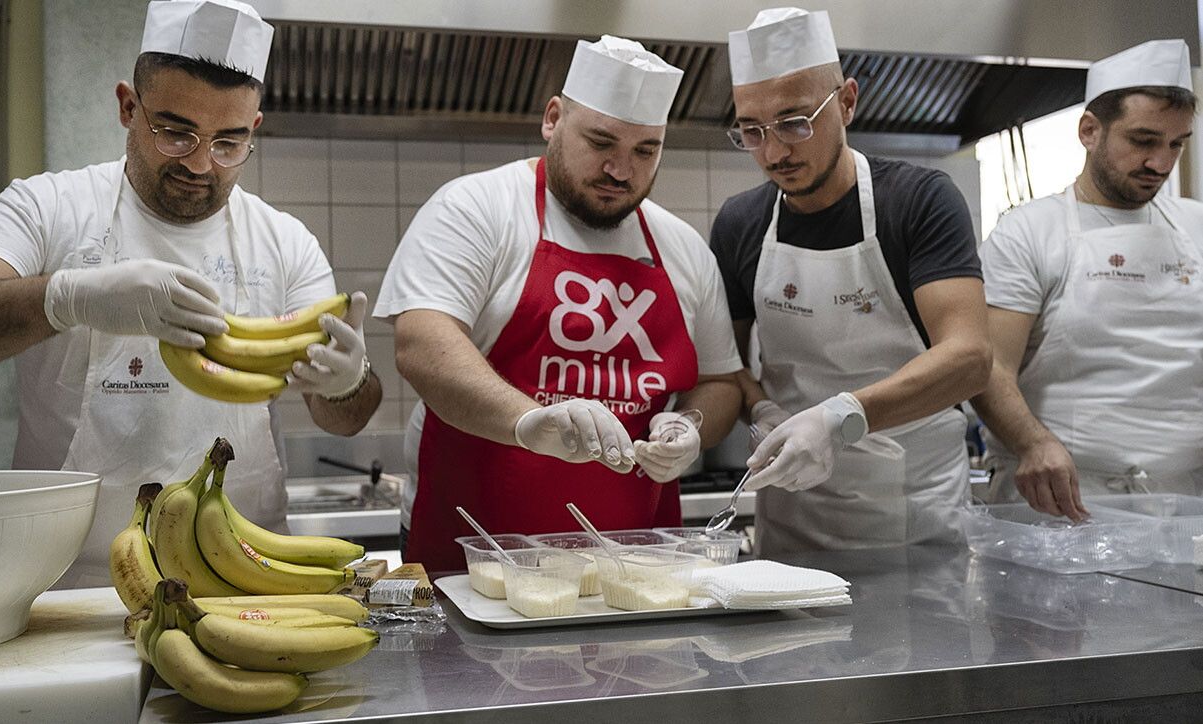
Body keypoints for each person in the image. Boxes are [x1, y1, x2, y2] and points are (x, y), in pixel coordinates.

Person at [0, 0, 381, 587]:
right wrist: (66, 298)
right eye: (176, 132)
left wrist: (347, 383)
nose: (202, 163)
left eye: (229, 143)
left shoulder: (284, 242)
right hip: (68, 587)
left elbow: (346, 419)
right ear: (128, 107)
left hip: (243, 579)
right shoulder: (47, 207)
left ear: (254, 129)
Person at [374, 36, 744, 572]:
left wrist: (690, 428)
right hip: (476, 561)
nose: (621, 170)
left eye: (645, 151)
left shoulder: (682, 248)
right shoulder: (477, 209)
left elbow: (722, 383)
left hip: (632, 567)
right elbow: (422, 343)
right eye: (601, 142)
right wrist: (530, 422)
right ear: (553, 118)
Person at [711, 8, 991, 554]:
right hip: (792, 523)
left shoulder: (918, 201)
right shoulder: (740, 223)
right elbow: (725, 367)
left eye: (795, 122)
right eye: (751, 131)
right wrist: (762, 408)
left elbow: (970, 358)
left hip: (917, 520)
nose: (773, 153)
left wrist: (842, 416)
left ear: (846, 102)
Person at [973, 39, 1201, 521]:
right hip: (1062, 508)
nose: (1161, 163)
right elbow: (988, 367)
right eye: (1143, 140)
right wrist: (1032, 443)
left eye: (1176, 144)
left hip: (1186, 511)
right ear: (1089, 131)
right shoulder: (1029, 232)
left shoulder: (1197, 228)